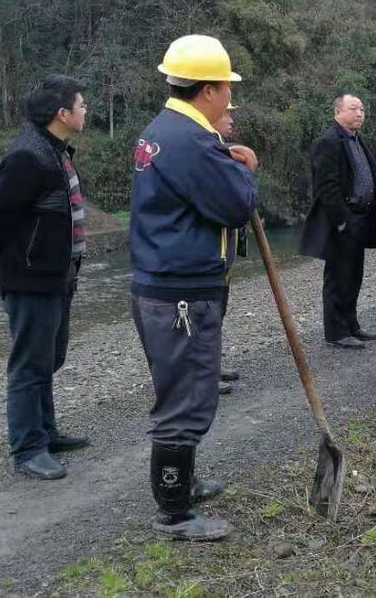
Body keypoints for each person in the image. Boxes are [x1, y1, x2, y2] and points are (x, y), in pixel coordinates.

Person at [130, 34, 258, 540]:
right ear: (207, 89)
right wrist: (247, 173)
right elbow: (236, 206)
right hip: (179, 291)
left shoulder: (164, 131)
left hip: (166, 282)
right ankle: (174, 512)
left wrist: (229, 162)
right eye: (227, 86)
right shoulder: (189, 140)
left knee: (186, 389)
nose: (230, 95)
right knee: (186, 398)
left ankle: (182, 484)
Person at [0, 75, 91, 481]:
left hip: (56, 275)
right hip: (30, 279)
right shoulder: (28, 157)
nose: (85, 110)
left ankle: (47, 432)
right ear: (62, 114)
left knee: (49, 358)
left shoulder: (54, 149)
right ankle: (28, 448)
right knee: (29, 364)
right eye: (80, 105)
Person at [300, 94, 376, 350]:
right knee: (337, 276)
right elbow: (327, 186)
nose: (360, 113)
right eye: (353, 108)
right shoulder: (329, 141)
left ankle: (351, 324)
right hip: (342, 220)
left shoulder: (355, 138)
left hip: (360, 216)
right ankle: (336, 331)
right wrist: (342, 221)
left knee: (354, 274)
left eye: (362, 108)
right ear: (338, 111)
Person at [213, 106, 245, 396]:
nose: (231, 119)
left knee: (219, 310)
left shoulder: (221, 148)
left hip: (226, 249)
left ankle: (212, 363)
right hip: (212, 253)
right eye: (226, 114)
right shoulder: (207, 151)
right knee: (208, 313)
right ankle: (204, 373)